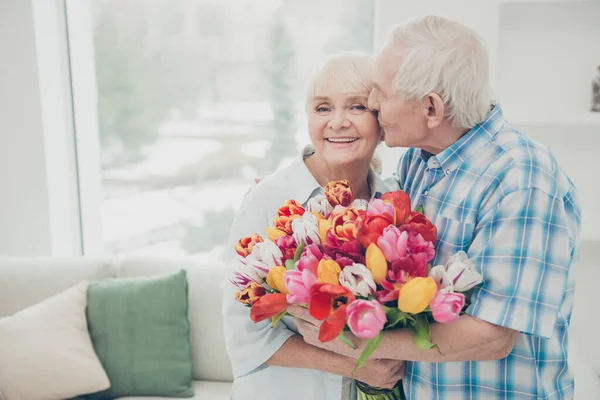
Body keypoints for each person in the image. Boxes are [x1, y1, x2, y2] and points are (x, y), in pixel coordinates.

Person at [292, 15, 581, 399]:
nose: (373, 104)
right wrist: (300, 181)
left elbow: (491, 336)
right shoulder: (419, 158)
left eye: (381, 92)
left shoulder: (522, 179)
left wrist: (356, 344)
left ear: (431, 109)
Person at [221, 52, 404, 400]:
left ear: (382, 121)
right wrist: (356, 365)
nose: (337, 122)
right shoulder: (267, 200)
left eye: (357, 107)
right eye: (323, 108)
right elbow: (244, 339)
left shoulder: (395, 203)